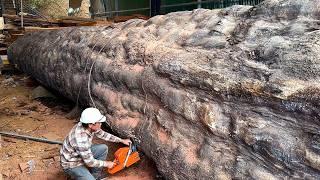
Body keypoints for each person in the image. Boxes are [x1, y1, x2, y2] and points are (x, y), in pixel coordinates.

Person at [60, 107, 131, 180]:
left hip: (80, 155)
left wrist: (121, 140)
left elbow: (102, 134)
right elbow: (89, 162)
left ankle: (95, 176)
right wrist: (107, 164)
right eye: (99, 122)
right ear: (91, 125)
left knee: (103, 148)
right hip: (72, 164)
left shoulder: (86, 125)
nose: (101, 124)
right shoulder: (81, 139)